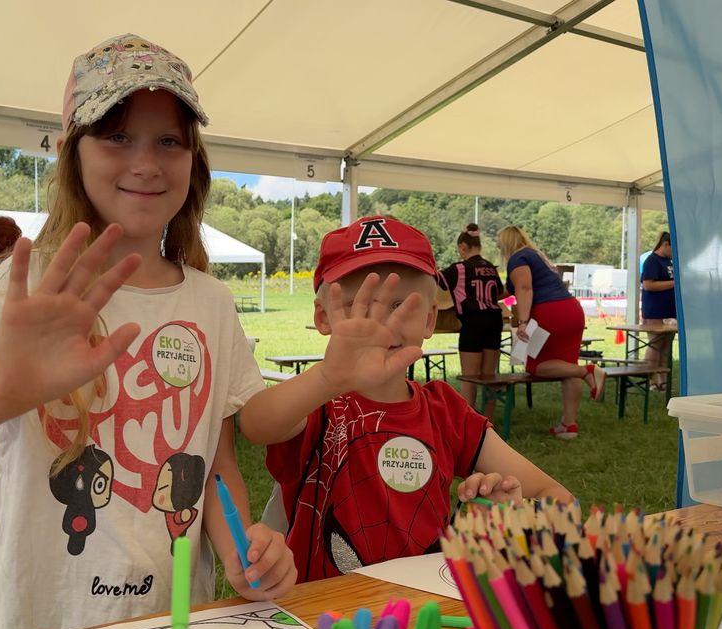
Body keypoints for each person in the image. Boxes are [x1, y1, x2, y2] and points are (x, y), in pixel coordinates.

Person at [0, 34, 295, 629]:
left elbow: (212, 462)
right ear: (71, 152)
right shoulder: (26, 289)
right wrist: (0, 391)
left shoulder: (210, 301)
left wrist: (242, 548)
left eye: (169, 140)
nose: (146, 162)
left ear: (193, 160)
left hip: (174, 621)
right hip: (45, 620)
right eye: (116, 136)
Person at [241, 216, 572, 583]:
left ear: (430, 319)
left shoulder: (446, 411)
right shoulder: (318, 402)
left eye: (400, 305)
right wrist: (327, 378)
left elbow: (556, 497)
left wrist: (514, 513)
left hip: (425, 611)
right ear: (323, 317)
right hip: (324, 616)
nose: (382, 323)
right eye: (360, 305)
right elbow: (256, 424)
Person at [497, 225, 605, 440]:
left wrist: (523, 322)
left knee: (537, 368)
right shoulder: (535, 255)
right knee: (567, 367)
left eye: (498, 242)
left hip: (550, 312)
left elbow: (525, 288)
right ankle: (569, 424)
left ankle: (588, 371)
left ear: (506, 242)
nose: (497, 246)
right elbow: (514, 287)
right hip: (571, 309)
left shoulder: (517, 259)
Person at [439, 223, 504, 416]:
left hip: (472, 322)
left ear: (462, 248)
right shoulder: (491, 268)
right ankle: (489, 419)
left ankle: (468, 421)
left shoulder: (458, 269)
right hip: (494, 321)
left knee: (469, 377)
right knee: (489, 376)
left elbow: (435, 281)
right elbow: (499, 293)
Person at [641, 231, 675, 391]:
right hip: (655, 311)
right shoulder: (652, 261)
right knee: (655, 345)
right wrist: (673, 283)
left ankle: (663, 380)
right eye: (672, 248)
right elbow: (648, 285)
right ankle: (652, 380)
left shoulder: (670, 261)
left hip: (670, 312)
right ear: (665, 244)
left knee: (666, 347)